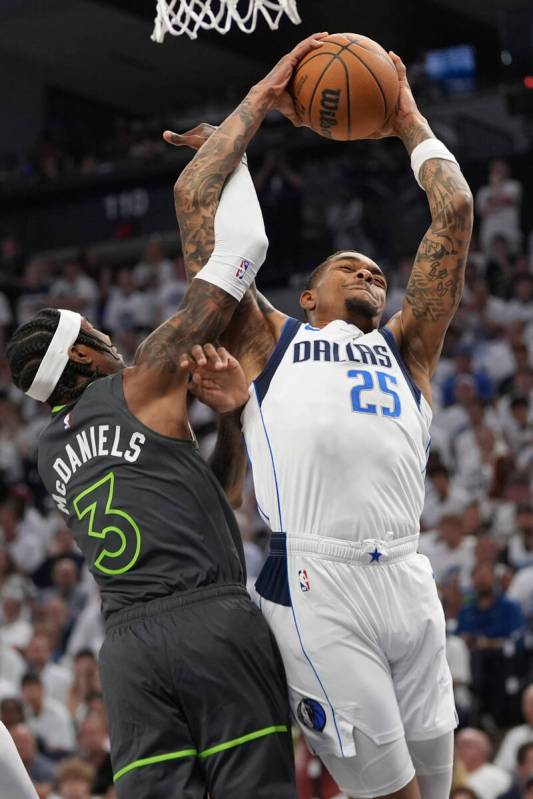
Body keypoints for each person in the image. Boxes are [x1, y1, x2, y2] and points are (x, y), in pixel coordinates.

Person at [5, 33, 331, 799]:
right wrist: (234, 152)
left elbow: (196, 501)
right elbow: (244, 244)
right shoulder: (144, 373)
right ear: (82, 355)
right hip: (208, 621)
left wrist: (228, 423)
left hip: (128, 650)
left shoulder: (54, 446)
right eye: (93, 332)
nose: (108, 335)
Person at [171, 51, 473, 799]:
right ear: (306, 298)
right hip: (314, 581)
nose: (368, 271)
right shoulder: (270, 340)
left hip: (406, 576)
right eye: (348, 266)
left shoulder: (407, 348)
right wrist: (260, 103)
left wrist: (405, 120)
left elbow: (456, 210)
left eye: (375, 268)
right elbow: (194, 200)